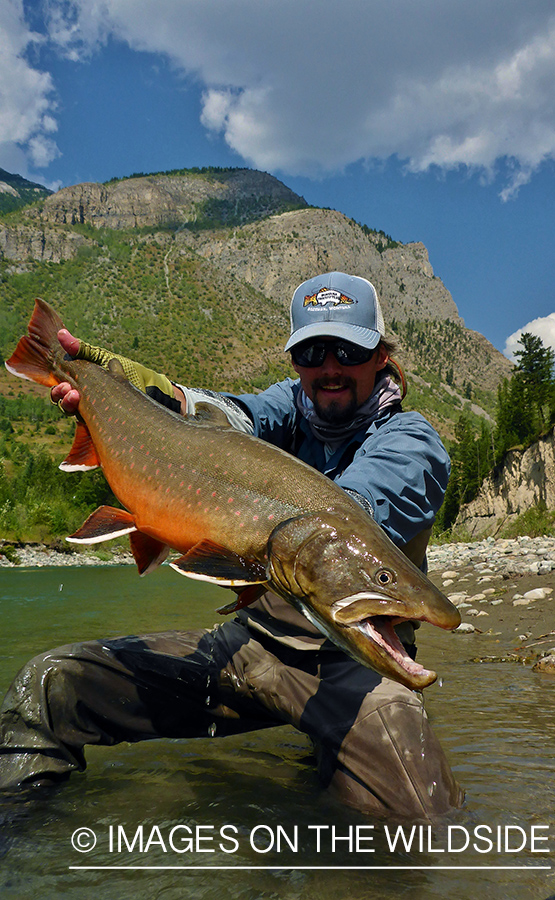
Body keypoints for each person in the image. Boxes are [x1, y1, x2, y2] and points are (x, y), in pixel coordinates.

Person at [0, 272, 463, 817]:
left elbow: (350, 511)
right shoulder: (288, 408)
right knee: (51, 686)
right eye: (313, 352)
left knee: (420, 818)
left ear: (381, 355)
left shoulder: (412, 442)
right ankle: (19, 844)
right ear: (295, 361)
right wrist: (128, 387)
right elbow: (225, 416)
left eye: (348, 350)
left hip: (352, 670)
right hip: (249, 648)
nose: (330, 368)